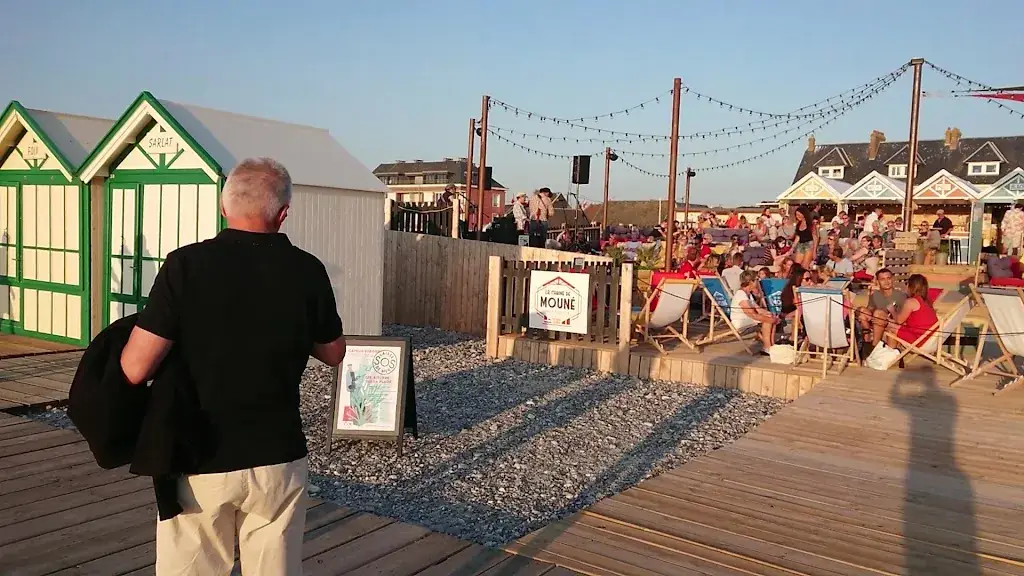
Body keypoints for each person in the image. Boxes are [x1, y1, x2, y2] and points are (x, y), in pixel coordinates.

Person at [119, 158, 347, 575]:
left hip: (197, 456)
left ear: (224, 208)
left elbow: (135, 367)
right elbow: (334, 353)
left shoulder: (185, 266)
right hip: (278, 456)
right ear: (283, 213)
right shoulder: (307, 270)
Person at [730, 270, 779, 355]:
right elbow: (753, 315)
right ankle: (767, 347)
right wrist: (769, 319)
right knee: (768, 320)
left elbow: (758, 309)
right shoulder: (741, 295)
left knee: (770, 317)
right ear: (751, 282)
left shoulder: (747, 294)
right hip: (740, 323)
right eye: (756, 279)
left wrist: (770, 314)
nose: (757, 282)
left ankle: (771, 345)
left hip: (747, 320)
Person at [857, 268, 907, 350]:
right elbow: (870, 309)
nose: (886, 282)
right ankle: (866, 342)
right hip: (876, 323)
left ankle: (874, 347)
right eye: (882, 279)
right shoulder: (875, 295)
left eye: (888, 278)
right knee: (862, 311)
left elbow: (903, 319)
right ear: (877, 281)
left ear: (892, 279)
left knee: (878, 313)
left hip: (892, 325)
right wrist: (862, 311)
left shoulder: (901, 296)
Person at [885, 273, 939, 349]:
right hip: (932, 340)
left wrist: (892, 310)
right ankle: (895, 354)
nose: (906, 286)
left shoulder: (911, 301)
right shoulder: (927, 301)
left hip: (920, 340)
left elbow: (899, 321)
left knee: (889, 327)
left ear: (911, 286)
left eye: (907, 284)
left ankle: (890, 356)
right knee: (892, 325)